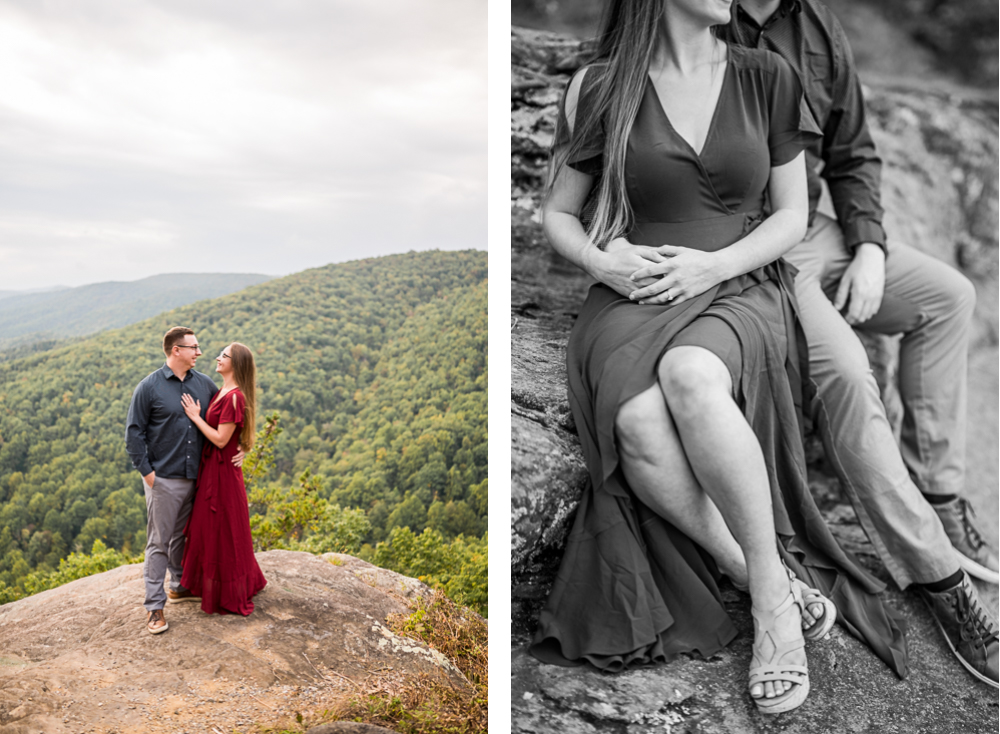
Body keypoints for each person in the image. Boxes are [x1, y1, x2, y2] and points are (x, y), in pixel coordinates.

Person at [530, 0, 907, 713]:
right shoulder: (600, 87)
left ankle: (772, 610)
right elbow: (558, 214)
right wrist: (602, 264)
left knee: (691, 375)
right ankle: (758, 572)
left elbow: (792, 215)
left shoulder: (767, 75)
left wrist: (712, 267)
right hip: (633, 291)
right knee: (637, 423)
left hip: (738, 278)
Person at [714, 0, 997, 688]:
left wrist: (868, 245)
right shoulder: (696, 18)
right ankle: (939, 577)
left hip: (815, 229)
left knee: (948, 297)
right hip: (750, 243)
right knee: (845, 373)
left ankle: (941, 497)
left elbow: (853, 151)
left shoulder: (815, 24)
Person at [125, 326, 243, 634]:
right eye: (193, 347)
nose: (199, 353)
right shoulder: (149, 387)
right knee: (159, 542)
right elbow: (133, 433)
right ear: (175, 350)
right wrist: (148, 473)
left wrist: (242, 445)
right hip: (163, 477)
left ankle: (178, 585)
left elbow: (228, 418)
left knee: (183, 537)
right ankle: (154, 608)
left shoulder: (204, 384)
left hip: (199, 478)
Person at [179, 342, 266, 615]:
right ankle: (207, 586)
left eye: (224, 355)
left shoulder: (234, 397)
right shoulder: (222, 392)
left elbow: (219, 439)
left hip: (223, 474)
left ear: (235, 364)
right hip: (213, 470)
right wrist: (242, 445)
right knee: (210, 529)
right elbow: (235, 433)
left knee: (224, 531)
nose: (217, 357)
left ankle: (227, 591)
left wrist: (195, 416)